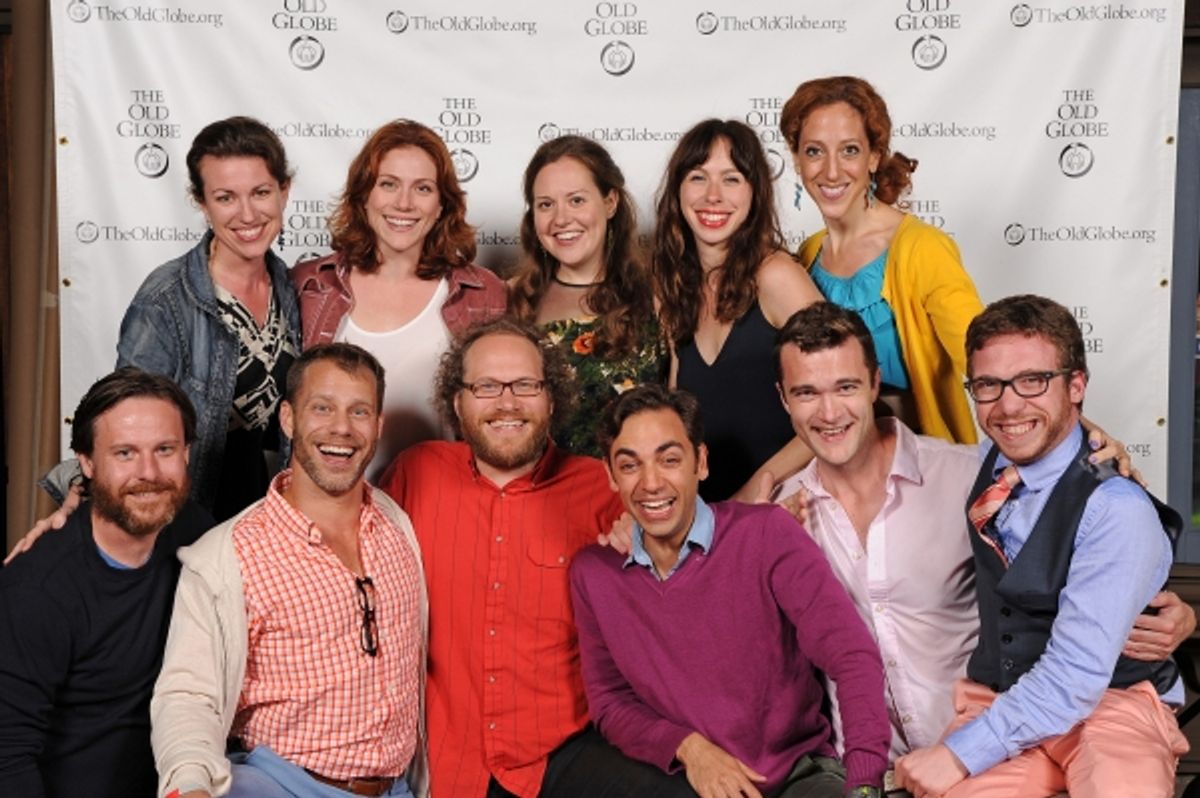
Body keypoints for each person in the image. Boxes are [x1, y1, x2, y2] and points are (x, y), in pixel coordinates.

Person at [773, 302, 1195, 769]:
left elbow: (1056, 465)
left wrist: (1166, 610)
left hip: (990, 747)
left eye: (846, 387)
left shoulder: (967, 474)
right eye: (806, 392)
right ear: (783, 399)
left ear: (875, 383)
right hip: (863, 768)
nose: (829, 411)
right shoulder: (777, 520)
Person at [894, 295, 1188, 798]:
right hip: (1004, 698)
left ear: (1076, 385)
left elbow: (1075, 676)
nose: (1008, 405)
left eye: (1033, 380)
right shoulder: (989, 460)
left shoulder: (1116, 506)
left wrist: (959, 754)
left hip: (1112, 702)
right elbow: (872, 444)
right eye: (988, 385)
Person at [380, 318, 671, 798]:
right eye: (487, 386)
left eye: (526, 385)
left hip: (565, 754)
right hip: (450, 764)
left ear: (551, 399)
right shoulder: (417, 472)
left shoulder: (603, 486)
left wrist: (648, 539)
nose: (507, 403)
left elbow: (676, 587)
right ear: (458, 402)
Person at [570, 384, 890, 798]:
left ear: (700, 463)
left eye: (669, 460)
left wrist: (863, 783)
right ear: (611, 476)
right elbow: (610, 702)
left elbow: (851, 654)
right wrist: (689, 749)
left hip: (798, 776)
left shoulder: (765, 532)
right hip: (688, 784)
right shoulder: (594, 574)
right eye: (630, 466)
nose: (651, 483)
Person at [152, 343, 428, 798]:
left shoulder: (397, 525)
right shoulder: (226, 557)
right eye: (322, 407)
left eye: (359, 411)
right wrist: (190, 781)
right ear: (288, 418)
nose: (342, 428)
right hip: (279, 784)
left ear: (378, 426)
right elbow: (188, 696)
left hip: (396, 788)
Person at [0, 368, 211, 797]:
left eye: (165, 449)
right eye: (125, 453)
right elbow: (7, 754)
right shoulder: (37, 589)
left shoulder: (195, 534)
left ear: (186, 453)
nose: (148, 472)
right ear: (88, 464)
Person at [292, 119, 507, 481]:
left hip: (442, 497)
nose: (404, 203)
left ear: (442, 204)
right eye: (388, 184)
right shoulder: (310, 285)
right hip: (329, 498)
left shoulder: (482, 292)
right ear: (364, 195)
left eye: (422, 188)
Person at [780, 76, 982, 445]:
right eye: (814, 151)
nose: (831, 171)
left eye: (849, 150)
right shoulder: (805, 257)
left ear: (874, 157)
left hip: (919, 457)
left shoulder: (923, 248)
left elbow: (989, 358)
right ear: (796, 160)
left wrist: (1071, 430)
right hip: (828, 458)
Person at [652, 118, 823, 502]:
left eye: (731, 179)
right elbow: (679, 418)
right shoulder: (673, 289)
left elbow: (833, 410)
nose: (713, 195)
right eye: (698, 177)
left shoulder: (777, 276)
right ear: (677, 190)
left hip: (788, 502)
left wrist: (748, 498)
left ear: (754, 193)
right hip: (707, 510)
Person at [508, 135, 664, 456]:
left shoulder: (657, 296)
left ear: (610, 203)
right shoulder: (512, 299)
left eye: (576, 200)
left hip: (635, 483)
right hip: (542, 484)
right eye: (546, 205)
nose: (561, 219)